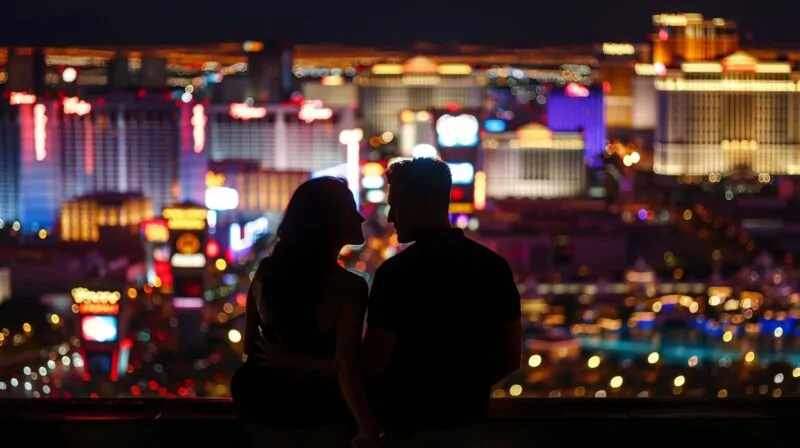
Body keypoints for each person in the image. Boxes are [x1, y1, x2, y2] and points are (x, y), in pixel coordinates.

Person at [361, 158, 522, 440]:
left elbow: (374, 361)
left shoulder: (396, 274)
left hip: (405, 425)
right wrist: (467, 388)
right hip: (471, 424)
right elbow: (510, 358)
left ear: (418, 204)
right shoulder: (493, 267)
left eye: (395, 205)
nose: (390, 217)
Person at [231, 177, 381, 446]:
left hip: (261, 403)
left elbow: (251, 347)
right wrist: (367, 427)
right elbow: (346, 366)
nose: (360, 217)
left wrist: (287, 361)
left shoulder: (265, 273)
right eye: (350, 210)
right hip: (320, 409)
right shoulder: (350, 287)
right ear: (328, 223)